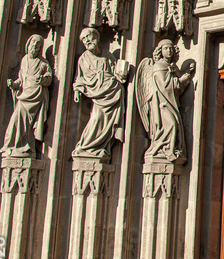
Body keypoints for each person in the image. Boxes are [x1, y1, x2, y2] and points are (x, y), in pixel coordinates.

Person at [136, 40, 195, 162]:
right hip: (161, 104)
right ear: (160, 51)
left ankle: (170, 150)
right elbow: (164, 86)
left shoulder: (173, 67)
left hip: (171, 103)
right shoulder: (158, 66)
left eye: (171, 49)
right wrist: (181, 79)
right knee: (171, 124)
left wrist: (186, 76)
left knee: (175, 125)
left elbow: (177, 90)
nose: (169, 51)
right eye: (166, 49)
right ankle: (162, 150)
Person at [73, 28, 128, 159]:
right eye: (84, 39)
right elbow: (79, 77)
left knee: (106, 122)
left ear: (96, 38)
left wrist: (121, 74)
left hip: (112, 92)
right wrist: (77, 90)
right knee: (96, 118)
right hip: (98, 93)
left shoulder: (106, 55)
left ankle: (101, 146)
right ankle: (87, 146)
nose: (87, 41)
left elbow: (116, 70)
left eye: (88, 37)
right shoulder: (83, 59)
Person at [3, 35, 53, 156]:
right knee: (15, 121)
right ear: (28, 45)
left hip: (36, 97)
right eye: (33, 44)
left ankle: (26, 147)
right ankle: (11, 146)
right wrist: (14, 84)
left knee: (28, 125)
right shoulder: (25, 60)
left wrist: (42, 79)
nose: (35, 47)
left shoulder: (43, 63)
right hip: (24, 96)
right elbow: (21, 78)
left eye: (38, 45)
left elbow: (49, 78)